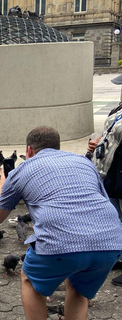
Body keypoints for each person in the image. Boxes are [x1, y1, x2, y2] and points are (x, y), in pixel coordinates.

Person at [0, 126, 122, 320]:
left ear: (29, 150)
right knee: (78, 289)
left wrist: (3, 184)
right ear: (58, 147)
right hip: (110, 242)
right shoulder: (83, 162)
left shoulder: (23, 169)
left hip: (60, 243)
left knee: (29, 280)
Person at [87, 101, 122, 286]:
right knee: (115, 217)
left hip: (119, 172)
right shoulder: (118, 108)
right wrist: (97, 142)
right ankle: (120, 257)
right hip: (112, 172)